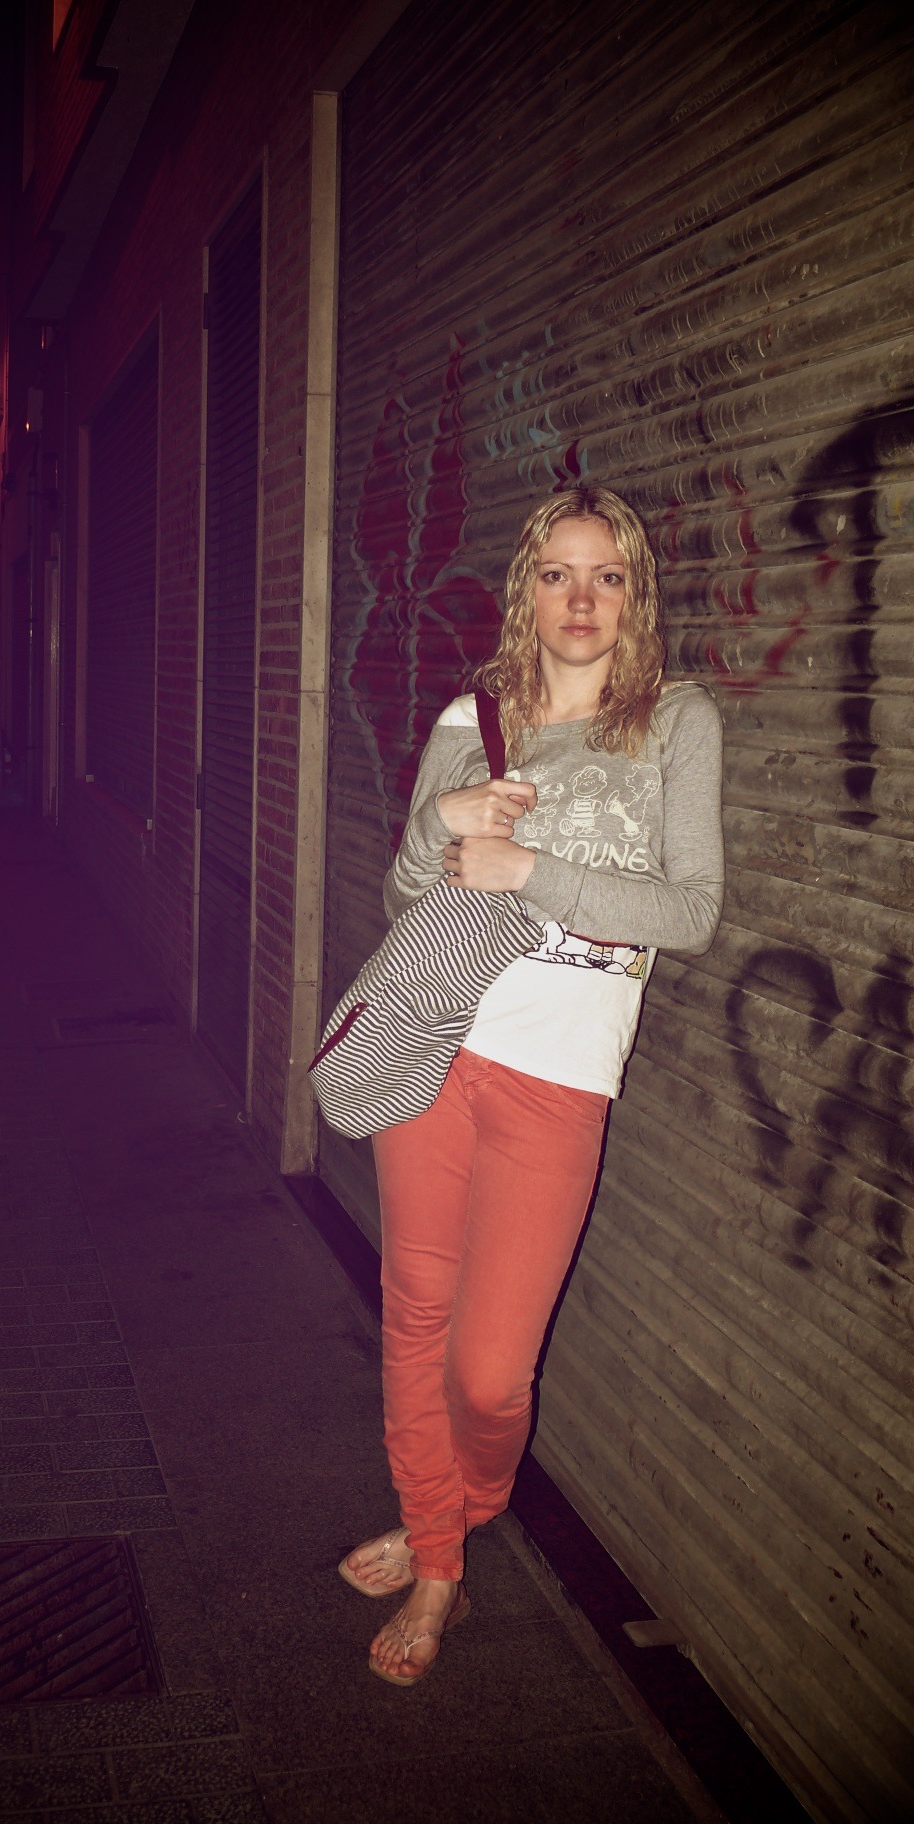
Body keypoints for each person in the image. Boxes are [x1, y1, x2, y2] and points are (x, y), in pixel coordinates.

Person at [339, 486, 724, 1686]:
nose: (582, 599)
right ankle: (438, 1560)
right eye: (558, 573)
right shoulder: (472, 718)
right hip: (438, 1049)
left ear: (635, 595)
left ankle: (464, 1506)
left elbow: (692, 913)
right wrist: (439, 824)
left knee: (492, 1372)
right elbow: (407, 890)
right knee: (415, 1316)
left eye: (608, 576)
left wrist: (532, 869)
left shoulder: (676, 722)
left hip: (560, 1074)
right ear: (527, 590)